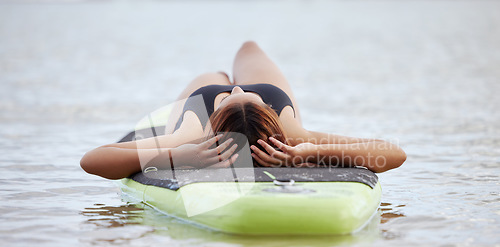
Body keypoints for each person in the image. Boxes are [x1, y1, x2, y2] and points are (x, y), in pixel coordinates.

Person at [80, 41, 406, 179]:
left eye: (238, 93)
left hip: (250, 102)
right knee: (230, 66)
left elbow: (395, 153)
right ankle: (225, 85)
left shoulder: (289, 136)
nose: (237, 88)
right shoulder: (193, 135)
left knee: (241, 54)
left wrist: (307, 151)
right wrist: (179, 156)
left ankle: (234, 89)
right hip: (205, 100)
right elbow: (391, 153)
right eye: (236, 93)